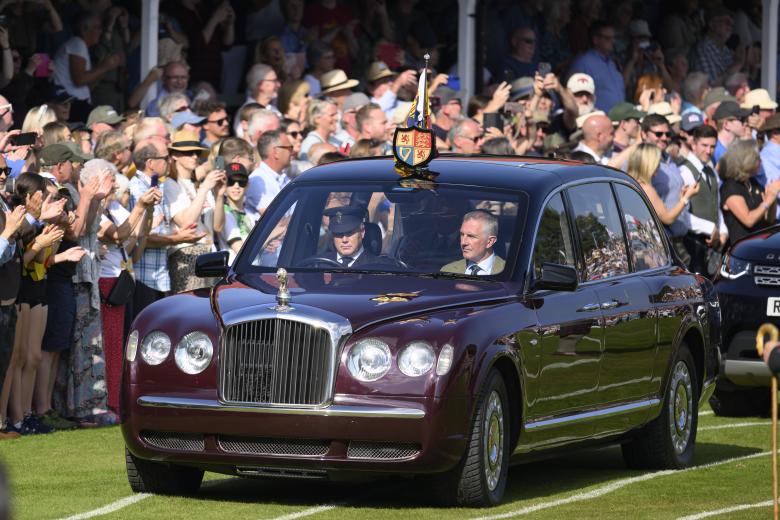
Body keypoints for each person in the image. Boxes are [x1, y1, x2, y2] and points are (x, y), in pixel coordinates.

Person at [164, 131, 225, 293]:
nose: (194, 156)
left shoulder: (197, 185)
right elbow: (186, 222)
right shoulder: (170, 185)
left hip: (210, 253)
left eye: (197, 152)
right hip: (186, 254)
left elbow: (218, 227)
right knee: (190, 309)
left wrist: (219, 195)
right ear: (175, 155)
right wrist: (205, 188)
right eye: (188, 152)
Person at [678, 125, 726, 275]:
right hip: (691, 245)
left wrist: (723, 232)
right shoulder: (684, 171)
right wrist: (710, 228)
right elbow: (682, 215)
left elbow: (716, 206)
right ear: (693, 144)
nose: (709, 151)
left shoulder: (711, 172)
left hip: (713, 246)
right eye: (704, 145)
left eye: (712, 146)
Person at [720, 139, 780, 246]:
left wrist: (773, 196)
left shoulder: (753, 182)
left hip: (761, 244)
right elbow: (748, 220)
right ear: (746, 160)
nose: (761, 162)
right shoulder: (730, 187)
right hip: (742, 248)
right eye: (757, 158)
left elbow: (769, 219)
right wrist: (767, 201)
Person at [627, 143, 699, 227]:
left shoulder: (628, 184)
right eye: (657, 162)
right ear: (648, 164)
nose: (659, 166)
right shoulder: (646, 189)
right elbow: (668, 218)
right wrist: (686, 198)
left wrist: (681, 199)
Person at [567, 20, 625, 112]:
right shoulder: (583, 62)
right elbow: (571, 93)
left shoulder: (613, 63)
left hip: (619, 120)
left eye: (614, 38)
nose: (613, 42)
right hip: (597, 121)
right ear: (596, 40)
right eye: (608, 38)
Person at [441, 210, 505, 275]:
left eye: (471, 236)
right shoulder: (447, 270)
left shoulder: (507, 272)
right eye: (462, 234)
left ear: (490, 242)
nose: (463, 242)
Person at [247, 130, 293, 217]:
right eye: (289, 148)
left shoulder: (284, 178)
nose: (292, 152)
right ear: (275, 152)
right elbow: (275, 219)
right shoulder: (257, 180)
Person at [217, 163, 256, 263]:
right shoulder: (224, 212)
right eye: (231, 181)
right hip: (233, 272)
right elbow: (240, 249)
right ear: (224, 184)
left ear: (247, 185)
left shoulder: (251, 214)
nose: (236, 186)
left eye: (241, 182)